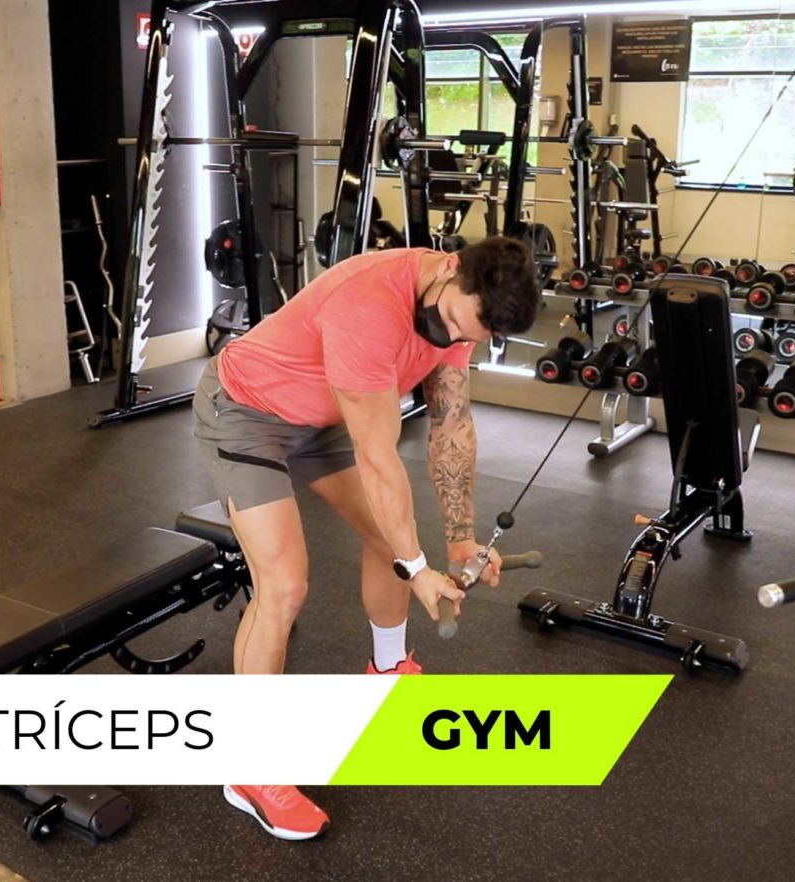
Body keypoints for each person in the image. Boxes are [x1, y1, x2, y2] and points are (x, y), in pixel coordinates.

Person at [193, 236, 542, 840]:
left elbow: (451, 425)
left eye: (467, 336)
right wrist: (418, 567)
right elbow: (379, 458)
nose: (451, 337)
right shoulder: (369, 305)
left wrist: (460, 540)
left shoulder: (462, 314)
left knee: (392, 542)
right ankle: (250, 769)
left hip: (326, 414)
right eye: (453, 321)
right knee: (285, 587)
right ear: (451, 268)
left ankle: (387, 671)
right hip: (247, 412)